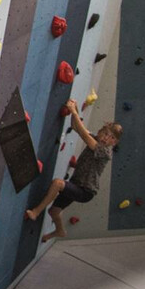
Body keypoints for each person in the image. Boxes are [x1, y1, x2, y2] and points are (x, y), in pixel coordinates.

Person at [25, 100, 122, 242]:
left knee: (58, 183)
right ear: (101, 132)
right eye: (106, 133)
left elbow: (84, 136)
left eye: (112, 138)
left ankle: (36, 212)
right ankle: (59, 231)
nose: (107, 138)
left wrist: (75, 112)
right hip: (76, 184)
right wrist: (74, 109)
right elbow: (76, 127)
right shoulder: (96, 138)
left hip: (86, 191)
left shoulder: (105, 151)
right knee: (54, 211)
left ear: (114, 143)